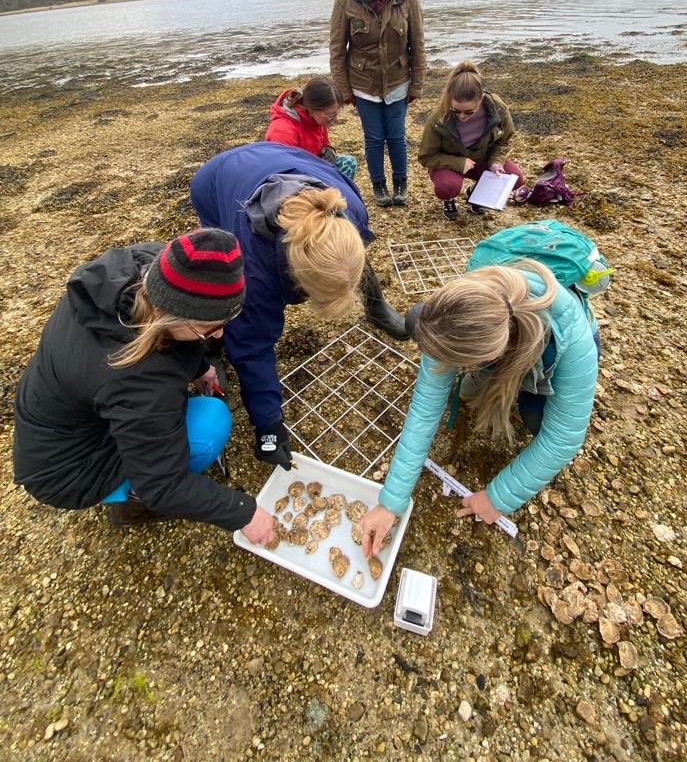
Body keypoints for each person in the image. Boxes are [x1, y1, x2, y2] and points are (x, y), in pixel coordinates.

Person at [13, 228, 274, 543]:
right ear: (168, 315)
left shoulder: (149, 266)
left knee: (178, 399)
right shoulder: (140, 379)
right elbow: (164, 484)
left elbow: (180, 330)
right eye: (211, 327)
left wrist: (201, 366)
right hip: (65, 471)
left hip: (56, 422)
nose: (219, 335)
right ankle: (134, 505)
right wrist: (243, 512)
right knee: (210, 423)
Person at [360, 250, 599, 558]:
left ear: (487, 357)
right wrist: (391, 501)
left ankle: (518, 384)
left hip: (553, 347)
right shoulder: (447, 317)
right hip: (497, 346)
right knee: (469, 393)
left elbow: (563, 438)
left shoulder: (574, 341)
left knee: (535, 420)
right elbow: (424, 408)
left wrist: (498, 498)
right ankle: (494, 379)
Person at [190, 142, 408, 471]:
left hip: (276, 157)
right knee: (222, 286)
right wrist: (268, 425)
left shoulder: (348, 213)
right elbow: (253, 346)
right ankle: (210, 346)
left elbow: (347, 259)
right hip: (216, 181)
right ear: (296, 276)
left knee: (343, 266)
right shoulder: (254, 270)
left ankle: (378, 310)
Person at [329, 0, 426, 208]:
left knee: (396, 135)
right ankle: (378, 185)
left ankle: (400, 182)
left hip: (398, 80)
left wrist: (416, 85)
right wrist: (345, 91)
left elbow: (417, 43)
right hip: (362, 84)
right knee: (373, 138)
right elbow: (337, 50)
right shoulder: (344, 0)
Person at [418, 61, 525, 221]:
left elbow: (504, 140)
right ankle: (449, 200)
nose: (462, 116)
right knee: (447, 187)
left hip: (482, 158)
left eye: (469, 112)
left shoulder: (498, 108)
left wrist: (496, 162)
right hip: (449, 163)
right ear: (450, 98)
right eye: (456, 111)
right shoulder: (438, 118)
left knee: (515, 179)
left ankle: (477, 193)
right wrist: (459, 163)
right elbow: (426, 157)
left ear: (481, 98)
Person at [264, 75, 358, 180]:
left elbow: (324, 142)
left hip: (312, 167)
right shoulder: (282, 130)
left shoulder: (315, 119)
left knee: (348, 163)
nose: (335, 119)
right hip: (293, 179)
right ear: (314, 107)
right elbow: (283, 172)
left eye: (337, 113)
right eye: (331, 114)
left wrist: (328, 150)